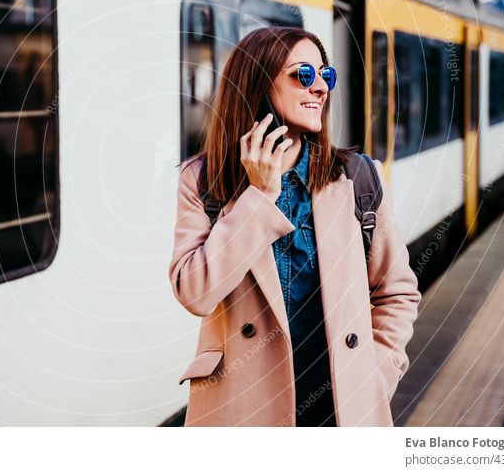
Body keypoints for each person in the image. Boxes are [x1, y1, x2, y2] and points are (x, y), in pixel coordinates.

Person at [168, 26, 421, 427]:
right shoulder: (203, 180)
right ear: (256, 84)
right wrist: (259, 196)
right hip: (243, 412)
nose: (320, 87)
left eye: (326, 75)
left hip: (339, 410)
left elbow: (398, 292)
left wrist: (373, 375)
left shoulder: (357, 179)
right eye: (304, 75)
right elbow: (194, 293)